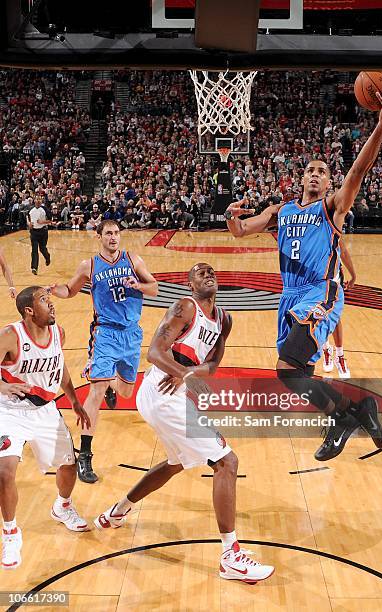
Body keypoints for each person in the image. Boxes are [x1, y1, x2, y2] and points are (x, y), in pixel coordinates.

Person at [226, 81, 382, 461]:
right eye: (311, 170)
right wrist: (230, 216)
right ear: (302, 178)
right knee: (293, 373)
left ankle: (341, 418)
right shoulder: (281, 211)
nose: (316, 175)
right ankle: (358, 410)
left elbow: (358, 170)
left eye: (323, 171)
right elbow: (240, 231)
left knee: (288, 367)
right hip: (288, 296)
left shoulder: (332, 208)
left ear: (328, 181)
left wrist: (381, 125)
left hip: (319, 291)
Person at [94, 263, 274, 584]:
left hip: (173, 389)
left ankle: (116, 512)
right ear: (189, 283)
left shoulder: (225, 319)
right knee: (226, 461)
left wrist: (189, 375)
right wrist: (182, 374)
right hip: (161, 387)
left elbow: (213, 365)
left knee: (175, 463)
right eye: (200, 272)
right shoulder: (184, 307)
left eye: (211, 271)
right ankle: (230, 557)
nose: (208, 274)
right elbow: (154, 351)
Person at [50, 220, 158, 483]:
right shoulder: (89, 265)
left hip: (131, 334)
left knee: (125, 392)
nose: (113, 237)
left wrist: (138, 286)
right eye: (108, 233)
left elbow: (154, 289)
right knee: (95, 390)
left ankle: (110, 384)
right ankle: (85, 453)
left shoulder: (133, 259)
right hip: (105, 333)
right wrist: (56, 290)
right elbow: (70, 290)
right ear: (99, 237)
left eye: (117, 233)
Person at [0, 286, 91, 570]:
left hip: (46, 410)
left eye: (50, 300)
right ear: (29, 310)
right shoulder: (10, 336)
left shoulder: (58, 333)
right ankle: (11, 533)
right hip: (10, 410)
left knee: (69, 465)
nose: (51, 305)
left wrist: (75, 401)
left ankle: (62, 506)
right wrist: (4, 385)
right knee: (4, 470)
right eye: (44, 301)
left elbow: (60, 367)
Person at [322, 239, 356, 379]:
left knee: (334, 317)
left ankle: (339, 355)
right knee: (318, 315)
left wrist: (353, 275)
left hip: (333, 277)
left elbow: (344, 252)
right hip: (312, 277)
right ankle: (325, 349)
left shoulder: (331, 225)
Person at [27, 197, 51, 275]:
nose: (38, 201)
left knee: (42, 249)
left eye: (39, 199)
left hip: (43, 232)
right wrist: (29, 224)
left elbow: (50, 220)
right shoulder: (30, 209)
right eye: (36, 199)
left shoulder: (45, 209)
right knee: (34, 250)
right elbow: (28, 218)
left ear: (41, 201)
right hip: (34, 232)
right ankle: (34, 268)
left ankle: (47, 257)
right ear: (34, 201)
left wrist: (42, 222)